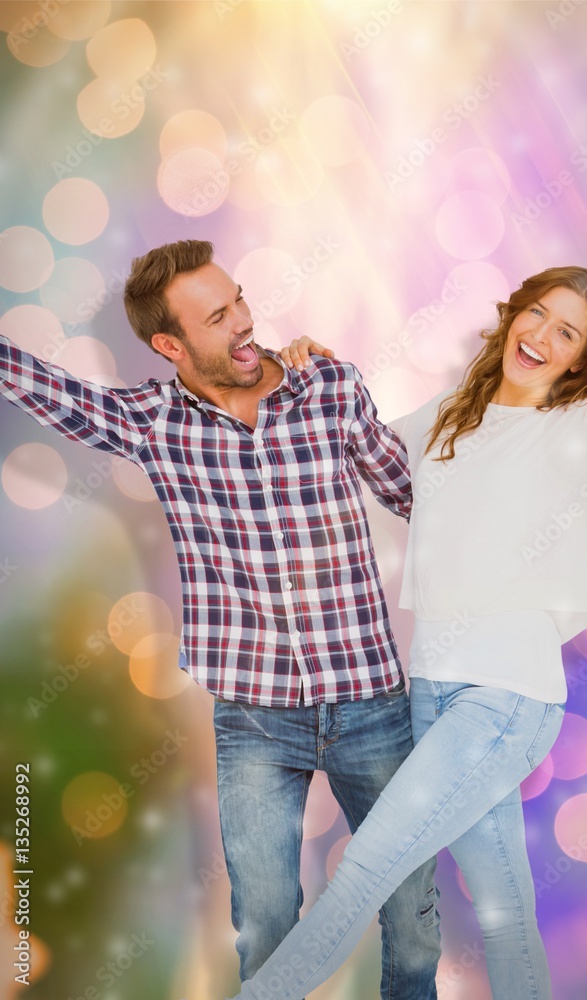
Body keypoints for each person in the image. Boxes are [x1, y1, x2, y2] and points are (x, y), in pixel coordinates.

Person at [0, 240, 441, 998]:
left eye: (237, 299)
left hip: (371, 700)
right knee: (265, 923)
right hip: (254, 719)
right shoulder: (153, 422)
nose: (244, 321)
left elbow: (413, 495)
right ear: (171, 345)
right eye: (218, 316)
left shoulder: (327, 384)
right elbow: (48, 390)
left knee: (409, 910)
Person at [228, 265, 587, 1000]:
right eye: (537, 314)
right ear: (512, 315)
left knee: (362, 871)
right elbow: (349, 444)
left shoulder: (577, 425)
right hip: (430, 692)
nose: (541, 336)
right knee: (502, 914)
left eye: (567, 333)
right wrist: (307, 372)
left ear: (582, 362)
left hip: (505, 700)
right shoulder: (450, 417)